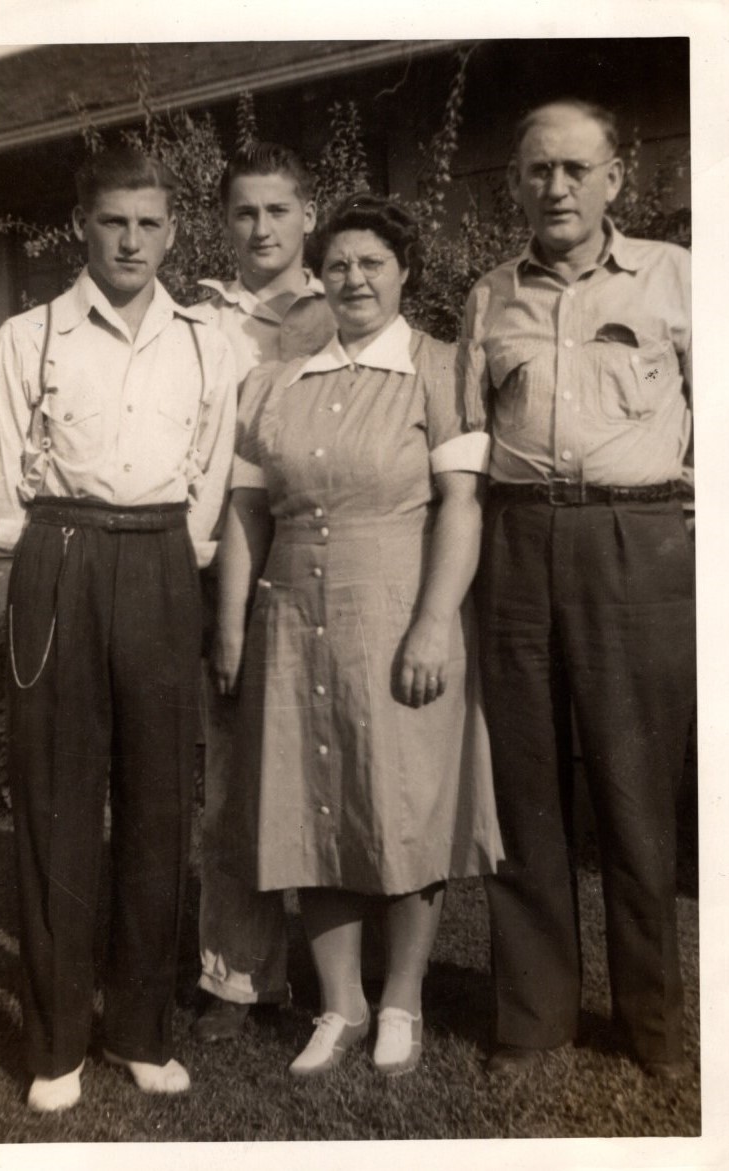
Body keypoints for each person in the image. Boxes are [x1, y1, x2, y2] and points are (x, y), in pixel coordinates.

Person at [213, 193, 503, 1078]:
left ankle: (403, 1001)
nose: (354, 278)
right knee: (310, 809)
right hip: (292, 620)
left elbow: (463, 506)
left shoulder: (442, 371)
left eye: (372, 262)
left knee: (405, 805)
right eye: (338, 264)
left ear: (405, 270)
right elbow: (245, 514)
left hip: (398, 612)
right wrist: (229, 627)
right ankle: (341, 1005)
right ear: (319, 275)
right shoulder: (274, 382)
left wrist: (430, 623)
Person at [0, 148, 237, 1111]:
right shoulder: (29, 336)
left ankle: (139, 1025)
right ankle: (53, 1041)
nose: (131, 240)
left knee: (161, 797)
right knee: (53, 792)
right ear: (83, 225)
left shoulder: (210, 342)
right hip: (61, 554)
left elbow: (210, 470)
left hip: (164, 558)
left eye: (149, 223)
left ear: (172, 232)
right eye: (113, 222)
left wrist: (182, 555)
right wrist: (44, 547)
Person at [458, 100, 695, 1080]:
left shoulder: (675, 278)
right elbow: (470, 445)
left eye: (572, 169)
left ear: (612, 180)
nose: (553, 187)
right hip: (515, 539)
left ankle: (650, 1024)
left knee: (632, 789)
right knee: (524, 787)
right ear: (513, 183)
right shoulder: (485, 297)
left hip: (632, 541)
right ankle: (533, 1015)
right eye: (534, 170)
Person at [192, 143, 336, 1043]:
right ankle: (238, 975)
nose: (260, 228)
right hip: (222, 559)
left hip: (326, 557)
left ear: (308, 215)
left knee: (330, 764)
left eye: (277, 210)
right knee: (234, 777)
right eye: (244, 212)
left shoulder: (346, 306)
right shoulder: (201, 320)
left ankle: (340, 978)